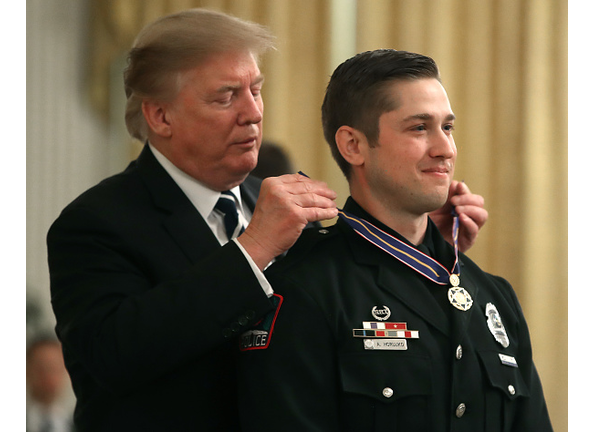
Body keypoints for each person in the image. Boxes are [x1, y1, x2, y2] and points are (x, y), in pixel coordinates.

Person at [46, 9, 486, 431]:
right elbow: (114, 358)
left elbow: (361, 309)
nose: (253, 112)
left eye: (256, 89)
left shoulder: (285, 209)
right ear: (160, 116)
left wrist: (426, 240)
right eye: (226, 96)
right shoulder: (95, 224)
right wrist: (253, 249)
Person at [237, 49, 551, 431]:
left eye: (447, 127)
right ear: (353, 145)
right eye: (419, 128)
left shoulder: (494, 296)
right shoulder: (305, 288)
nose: (445, 149)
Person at [26, 336, 74, 432]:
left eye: (55, 368)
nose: (49, 377)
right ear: (27, 371)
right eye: (42, 369)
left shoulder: (78, 425)